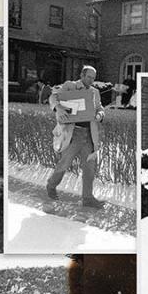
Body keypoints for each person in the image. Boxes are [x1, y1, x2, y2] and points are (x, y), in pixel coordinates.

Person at [46, 65, 105, 208]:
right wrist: (58, 108)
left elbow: (100, 108)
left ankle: (87, 198)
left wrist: (100, 115)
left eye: (93, 78)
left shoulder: (95, 92)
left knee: (89, 168)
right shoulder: (69, 86)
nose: (91, 80)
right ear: (82, 75)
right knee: (64, 164)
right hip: (73, 133)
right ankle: (51, 185)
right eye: (89, 77)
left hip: (90, 135)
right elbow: (53, 96)